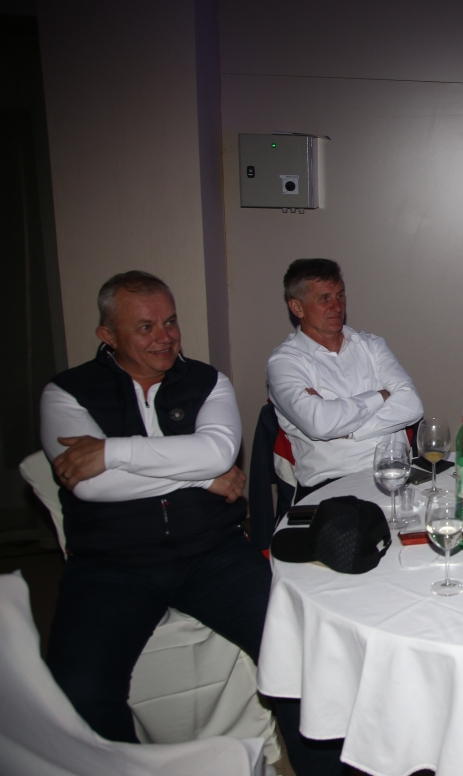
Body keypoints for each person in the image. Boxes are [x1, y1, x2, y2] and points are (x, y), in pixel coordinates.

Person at [40, 272, 271, 744]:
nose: (164, 337)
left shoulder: (208, 381)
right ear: (108, 335)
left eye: (170, 322)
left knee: (297, 652)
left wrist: (111, 451)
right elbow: (91, 486)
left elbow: (217, 450)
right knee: (79, 690)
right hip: (111, 563)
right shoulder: (65, 393)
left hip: (214, 551)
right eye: (145, 327)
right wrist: (203, 476)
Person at [268, 259, 423, 502]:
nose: (337, 306)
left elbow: (412, 405)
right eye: (324, 298)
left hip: (395, 473)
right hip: (332, 486)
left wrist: (348, 431)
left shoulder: (372, 345)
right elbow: (320, 423)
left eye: (340, 295)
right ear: (297, 307)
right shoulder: (285, 362)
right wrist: (380, 396)